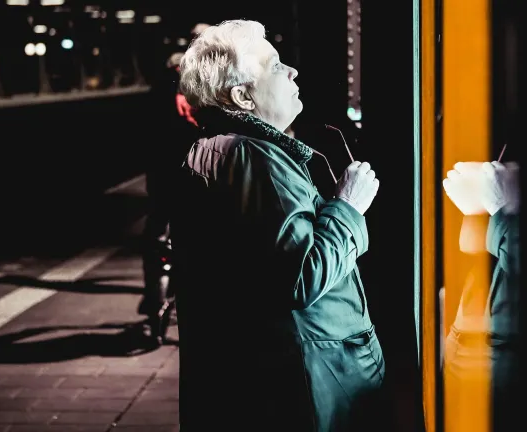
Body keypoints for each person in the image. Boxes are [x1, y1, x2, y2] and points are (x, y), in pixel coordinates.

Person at [171, 19, 384, 431]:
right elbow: (303, 277)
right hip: (311, 382)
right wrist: (348, 206)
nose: (292, 72)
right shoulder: (255, 159)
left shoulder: (215, 152)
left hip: (280, 379)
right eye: (273, 66)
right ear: (242, 96)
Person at [137, 23, 208, 330]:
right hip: (198, 171)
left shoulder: (167, 79)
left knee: (156, 233)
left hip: (163, 171)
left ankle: (153, 294)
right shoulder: (214, 80)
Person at [442, 160, 521, 432]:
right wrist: (478, 208)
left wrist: (501, 208)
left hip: (502, 359)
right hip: (468, 342)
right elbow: (474, 247)